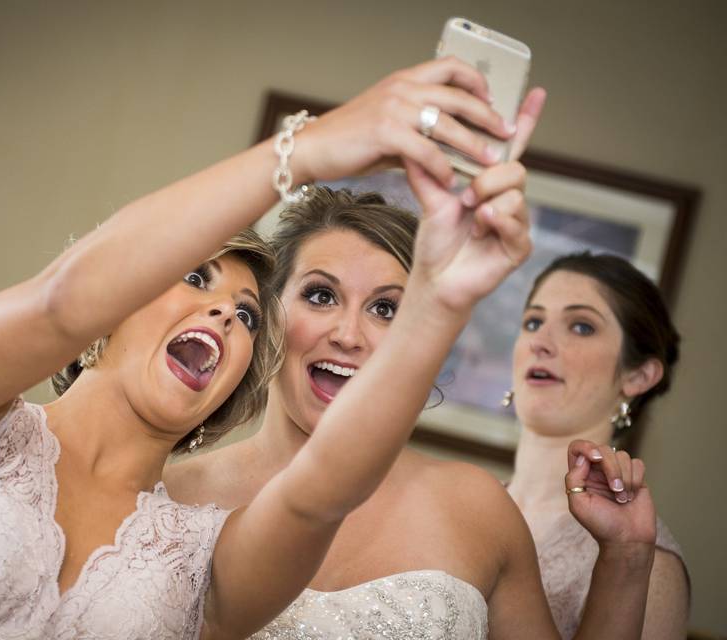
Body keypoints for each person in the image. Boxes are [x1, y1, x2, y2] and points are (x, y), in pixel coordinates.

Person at [0, 57, 535, 639]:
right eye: (196, 277)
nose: (223, 314)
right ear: (117, 301)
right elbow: (60, 300)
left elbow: (321, 492)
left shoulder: (207, 557)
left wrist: (441, 301)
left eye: (247, 316)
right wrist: (312, 149)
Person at [165, 92, 660, 640]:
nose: (348, 335)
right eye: (321, 296)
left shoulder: (478, 509)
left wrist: (627, 558)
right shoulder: (172, 496)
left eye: (385, 309)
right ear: (269, 312)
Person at [506, 252, 690, 639]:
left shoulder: (650, 568)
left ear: (637, 375)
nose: (540, 341)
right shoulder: (468, 501)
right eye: (534, 322)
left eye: (582, 327)